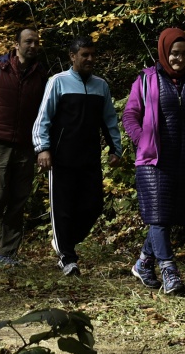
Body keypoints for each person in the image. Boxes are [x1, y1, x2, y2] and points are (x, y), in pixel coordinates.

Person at [34, 37, 122, 277]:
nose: (90, 59)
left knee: (93, 206)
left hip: (90, 158)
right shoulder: (58, 82)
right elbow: (44, 118)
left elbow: (109, 119)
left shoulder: (101, 85)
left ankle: (64, 242)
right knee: (62, 208)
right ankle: (67, 258)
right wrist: (43, 148)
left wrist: (116, 149)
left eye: (93, 54)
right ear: (72, 56)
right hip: (61, 158)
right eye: (85, 55)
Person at [123, 28, 185, 296]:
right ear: (164, 52)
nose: (179, 59)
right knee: (158, 217)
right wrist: (141, 139)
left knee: (169, 217)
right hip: (153, 159)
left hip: (184, 158)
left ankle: (144, 263)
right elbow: (130, 114)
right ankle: (170, 271)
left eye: (184, 54)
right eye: (174, 53)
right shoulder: (146, 79)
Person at [0, 27, 46, 266]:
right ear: (17, 45)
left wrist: (42, 145)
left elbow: (45, 113)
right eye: (28, 42)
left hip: (26, 144)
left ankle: (6, 253)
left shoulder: (41, 76)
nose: (32, 46)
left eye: (35, 42)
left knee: (18, 199)